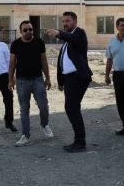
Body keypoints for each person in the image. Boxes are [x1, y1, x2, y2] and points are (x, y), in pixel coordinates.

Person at [45, 11, 93, 153]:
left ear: (75, 21)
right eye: (63, 21)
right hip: (69, 79)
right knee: (72, 108)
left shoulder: (79, 33)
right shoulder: (67, 41)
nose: (65, 23)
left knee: (71, 108)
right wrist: (60, 81)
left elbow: (75, 39)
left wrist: (58, 33)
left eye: (68, 21)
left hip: (78, 77)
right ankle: (79, 141)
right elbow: (62, 62)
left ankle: (80, 142)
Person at [8, 20, 54, 146]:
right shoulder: (16, 44)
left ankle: (44, 125)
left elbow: (44, 60)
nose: (28, 31)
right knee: (24, 109)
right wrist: (10, 80)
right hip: (22, 82)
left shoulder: (39, 42)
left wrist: (48, 78)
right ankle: (25, 135)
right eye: (25, 30)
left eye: (30, 29)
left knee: (43, 106)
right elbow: (12, 63)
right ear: (21, 31)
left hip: (38, 79)